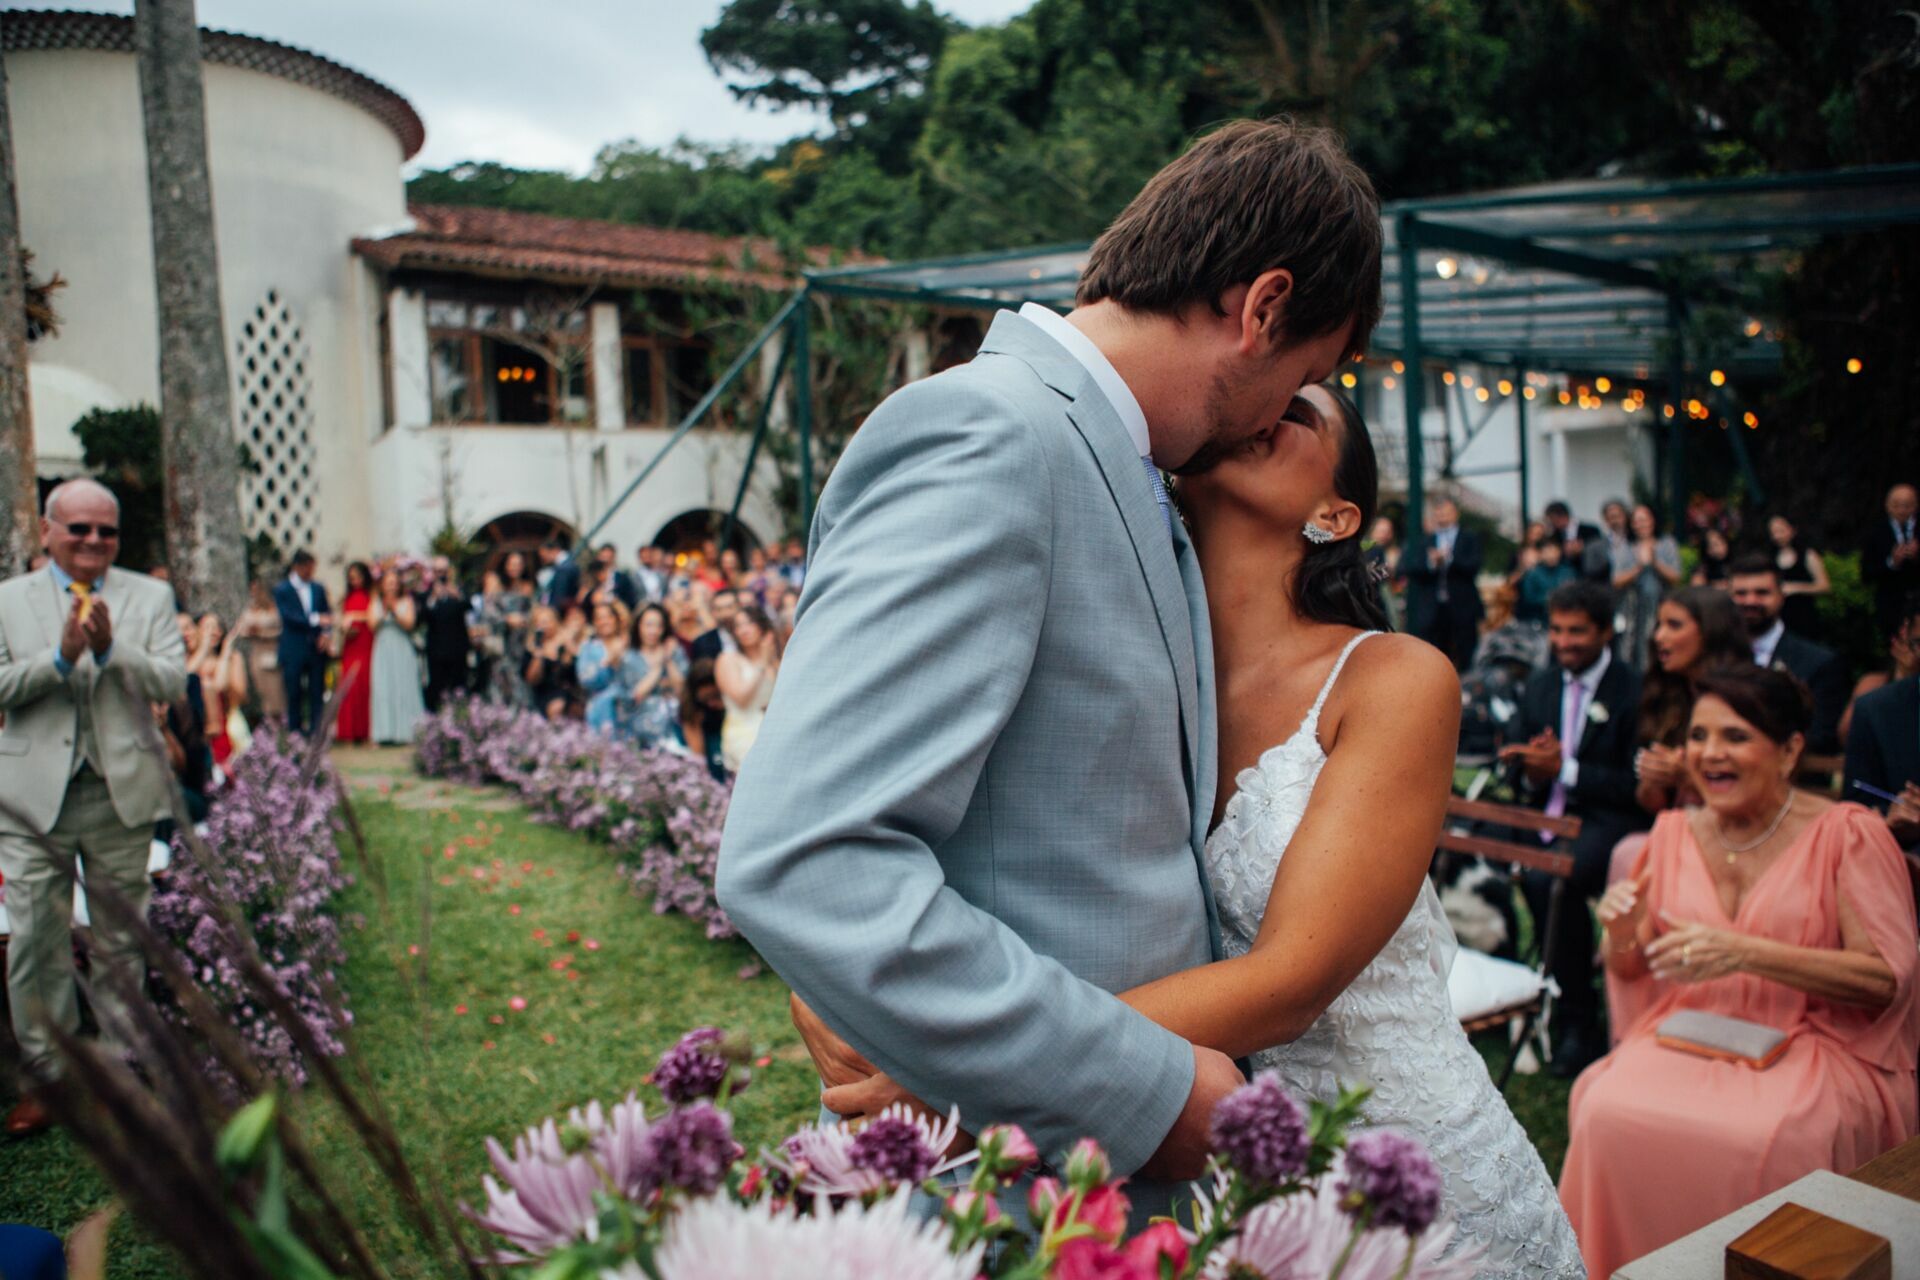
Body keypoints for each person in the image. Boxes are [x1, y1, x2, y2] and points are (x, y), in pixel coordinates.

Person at [719, 118, 1387, 1211]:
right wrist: (1139, 1086)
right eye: (1304, 373)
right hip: (1002, 1187)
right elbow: (806, 854)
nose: (1280, 413)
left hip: (1091, 1195)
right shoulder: (990, 434)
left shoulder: (1126, 468)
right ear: (1262, 308)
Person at [798, 386, 1582, 1271]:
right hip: (1205, 1159)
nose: (1267, 407)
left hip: (1398, 1153)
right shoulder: (1132, 663)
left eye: (1299, 411)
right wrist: (838, 970)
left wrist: (974, 1067)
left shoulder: (1396, 679)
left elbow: (1291, 981)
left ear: (1336, 513)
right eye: (1265, 395)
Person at [1562, 667, 1920, 1277]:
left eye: (1734, 736)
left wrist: (1745, 952)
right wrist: (1622, 931)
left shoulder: (1849, 834)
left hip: (1817, 1043)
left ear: (1789, 751)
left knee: (1773, 1135)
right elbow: (1631, 967)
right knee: (1602, 1106)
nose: (1709, 754)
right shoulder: (1672, 830)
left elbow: (1886, 977)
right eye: (1698, 736)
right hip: (1687, 1031)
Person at [0, 478, 187, 1137]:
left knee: (117, 940)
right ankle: (47, 1077)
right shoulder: (8, 600)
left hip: (122, 791)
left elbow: (173, 679)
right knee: (33, 941)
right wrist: (59, 659)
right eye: (78, 528)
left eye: (105, 530)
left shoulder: (150, 595)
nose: (93, 541)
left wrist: (110, 650)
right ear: (48, 531)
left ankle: (115, 1071)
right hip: (30, 801)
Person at [1499, 579, 1647, 1074]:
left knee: (1548, 880)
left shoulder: (1634, 689)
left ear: (1606, 632)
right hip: (1543, 816)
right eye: (1557, 630)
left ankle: (1577, 1021)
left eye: (1577, 631)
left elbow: (1635, 784)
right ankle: (1507, 996)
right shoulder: (1541, 685)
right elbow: (1517, 760)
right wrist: (1527, 766)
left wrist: (1564, 769)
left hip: (1607, 822)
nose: (1564, 642)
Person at [1632, 586, 1753, 816]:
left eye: (1674, 625)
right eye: (1659, 625)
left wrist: (1688, 776)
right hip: (1678, 824)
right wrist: (1653, 777)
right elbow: (1651, 805)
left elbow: (1756, 796)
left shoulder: (1749, 700)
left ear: (1711, 631)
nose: (1659, 637)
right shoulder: (1670, 694)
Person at [1728, 552, 1848, 754]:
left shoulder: (1819, 663)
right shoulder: (1712, 655)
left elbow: (1822, 738)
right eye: (1741, 593)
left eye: (1762, 593)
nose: (1750, 601)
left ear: (1781, 597)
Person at [1403, 496, 1484, 671]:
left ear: (1456, 514)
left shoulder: (1469, 538)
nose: (1442, 517)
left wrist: (1449, 559)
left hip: (1462, 606)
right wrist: (1433, 563)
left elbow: (1474, 565)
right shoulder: (1426, 541)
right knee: (1437, 653)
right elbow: (1413, 568)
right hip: (1434, 608)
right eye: (1439, 513)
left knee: (1466, 651)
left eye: (1446, 512)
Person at [1842, 591, 1920, 745]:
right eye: (1918, 643)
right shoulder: (1873, 689)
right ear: (1905, 632)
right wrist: (1903, 677)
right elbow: (1850, 738)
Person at [1611, 503, 1683, 669]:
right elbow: (1616, 581)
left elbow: (1676, 577)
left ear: (1653, 521)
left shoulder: (1667, 544)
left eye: (1644, 520)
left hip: (1659, 606)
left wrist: (1655, 562)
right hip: (1631, 609)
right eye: (1636, 521)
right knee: (1628, 649)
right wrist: (1639, 566)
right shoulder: (1625, 547)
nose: (1641, 524)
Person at [274, 550, 332, 736]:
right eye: (308, 567)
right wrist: (315, 620)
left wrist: (326, 633)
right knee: (294, 692)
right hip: (293, 648)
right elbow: (289, 617)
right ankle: (295, 732)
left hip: (315, 648)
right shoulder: (282, 589)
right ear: (297, 566)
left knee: (317, 691)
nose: (311, 571)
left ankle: (317, 732)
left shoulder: (318, 588)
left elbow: (327, 614)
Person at [716, 605, 780, 773]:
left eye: (749, 623)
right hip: (743, 731)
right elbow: (741, 698)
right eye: (738, 626)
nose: (744, 630)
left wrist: (771, 660)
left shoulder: (775, 662)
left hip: (773, 731)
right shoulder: (728, 659)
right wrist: (762, 664)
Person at [369, 568, 425, 745]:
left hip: (401, 646)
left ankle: (407, 732)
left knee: (404, 686)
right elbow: (372, 625)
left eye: (394, 583)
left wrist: (395, 610)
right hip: (383, 648)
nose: (391, 586)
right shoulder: (376, 602)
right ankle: (383, 733)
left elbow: (409, 624)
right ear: (382, 585)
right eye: (388, 583)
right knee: (383, 687)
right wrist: (384, 611)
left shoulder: (406, 601)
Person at [188, 612, 249, 766]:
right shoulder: (187, 659)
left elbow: (236, 694)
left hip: (228, 724)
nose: (213, 632)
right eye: (207, 627)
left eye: (217, 628)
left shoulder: (232, 657)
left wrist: (226, 654)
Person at [1863, 482, 1920, 639]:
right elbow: (1866, 574)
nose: (1902, 511)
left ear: (1915, 505)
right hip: (1891, 605)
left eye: (1907, 505)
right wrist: (1892, 563)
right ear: (1887, 505)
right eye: (1897, 505)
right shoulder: (1875, 532)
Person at [628, 602, 687, 750]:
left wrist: (668, 659)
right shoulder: (629, 657)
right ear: (638, 626)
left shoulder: (675, 652)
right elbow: (636, 694)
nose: (653, 631)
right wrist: (659, 665)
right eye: (648, 625)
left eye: (658, 626)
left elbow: (681, 689)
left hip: (675, 727)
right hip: (641, 730)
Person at [576, 599, 637, 736]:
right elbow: (586, 679)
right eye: (599, 618)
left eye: (608, 617)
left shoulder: (630, 644)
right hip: (600, 708)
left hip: (630, 707)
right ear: (594, 623)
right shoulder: (588, 647)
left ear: (615, 619)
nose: (604, 621)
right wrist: (608, 662)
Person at [1765, 513, 1830, 638]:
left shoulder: (1808, 554)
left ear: (1792, 530)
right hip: (1779, 618)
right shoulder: (1770, 559)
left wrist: (1796, 588)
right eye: (1773, 532)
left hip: (1804, 616)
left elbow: (1825, 586)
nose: (1777, 536)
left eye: (1781, 531)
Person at [421, 561, 472, 712]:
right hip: (436, 652)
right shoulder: (427, 594)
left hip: (457, 650)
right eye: (437, 571)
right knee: (437, 688)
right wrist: (433, 599)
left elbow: (469, 608)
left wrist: (457, 595)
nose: (441, 574)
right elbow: (422, 618)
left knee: (459, 688)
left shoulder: (459, 590)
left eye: (444, 571)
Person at [333, 561, 375, 744]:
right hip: (351, 646)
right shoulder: (346, 598)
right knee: (349, 686)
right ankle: (349, 732)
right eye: (351, 578)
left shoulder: (371, 595)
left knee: (365, 685)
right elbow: (342, 620)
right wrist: (344, 627)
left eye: (358, 576)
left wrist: (356, 616)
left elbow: (374, 616)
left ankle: (365, 731)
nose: (355, 580)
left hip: (366, 643)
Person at [235, 578, 286, 726]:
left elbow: (282, 629)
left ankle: (281, 724)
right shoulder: (249, 609)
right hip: (257, 653)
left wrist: (263, 632)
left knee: (276, 690)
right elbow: (241, 629)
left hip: (272, 650)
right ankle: (267, 723)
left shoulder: (275, 609)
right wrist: (250, 632)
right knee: (261, 689)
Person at [521, 603, 580, 723]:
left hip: (570, 693)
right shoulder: (532, 649)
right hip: (545, 695)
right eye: (541, 623)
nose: (545, 626)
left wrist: (568, 647)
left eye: (548, 621)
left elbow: (577, 670)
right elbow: (531, 679)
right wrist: (539, 655)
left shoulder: (566, 643)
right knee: (557, 708)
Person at [678, 657, 727, 781]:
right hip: (710, 752)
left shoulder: (730, 695)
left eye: (715, 696)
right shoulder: (692, 711)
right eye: (706, 699)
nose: (711, 703)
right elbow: (698, 756)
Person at [1513, 536, 1576, 627]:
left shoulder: (1568, 572)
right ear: (1541, 554)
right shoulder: (1533, 574)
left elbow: (1573, 594)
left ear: (1559, 552)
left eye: (1554, 550)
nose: (1551, 554)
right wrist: (1550, 599)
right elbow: (1529, 598)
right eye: (1547, 551)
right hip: (1538, 619)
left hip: (1565, 617)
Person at [1584, 498, 1629, 583]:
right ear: (1605, 520)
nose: (1615, 521)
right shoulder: (1594, 546)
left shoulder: (1634, 541)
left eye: (1618, 516)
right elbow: (1590, 572)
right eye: (1611, 517)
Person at [1544, 499, 1600, 567]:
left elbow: (1598, 551)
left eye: (1553, 519)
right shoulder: (1554, 536)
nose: (1552, 523)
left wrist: (1583, 548)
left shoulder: (1591, 530)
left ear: (1562, 516)